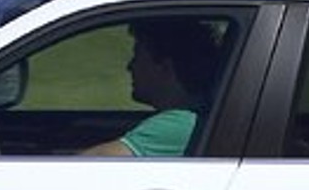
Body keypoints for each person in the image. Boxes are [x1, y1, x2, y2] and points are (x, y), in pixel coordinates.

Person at [83, 19, 223, 157]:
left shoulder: (176, 126)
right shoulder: (199, 117)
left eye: (137, 56)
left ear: (165, 68)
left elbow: (81, 167)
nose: (130, 66)